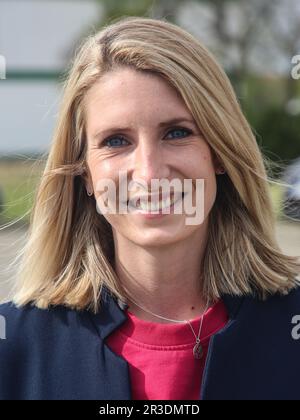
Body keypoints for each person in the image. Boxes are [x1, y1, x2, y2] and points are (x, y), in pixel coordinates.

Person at [0, 16, 300, 401]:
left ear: (220, 153)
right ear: (86, 174)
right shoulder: (14, 348)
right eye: (116, 140)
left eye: (177, 132)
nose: (149, 172)